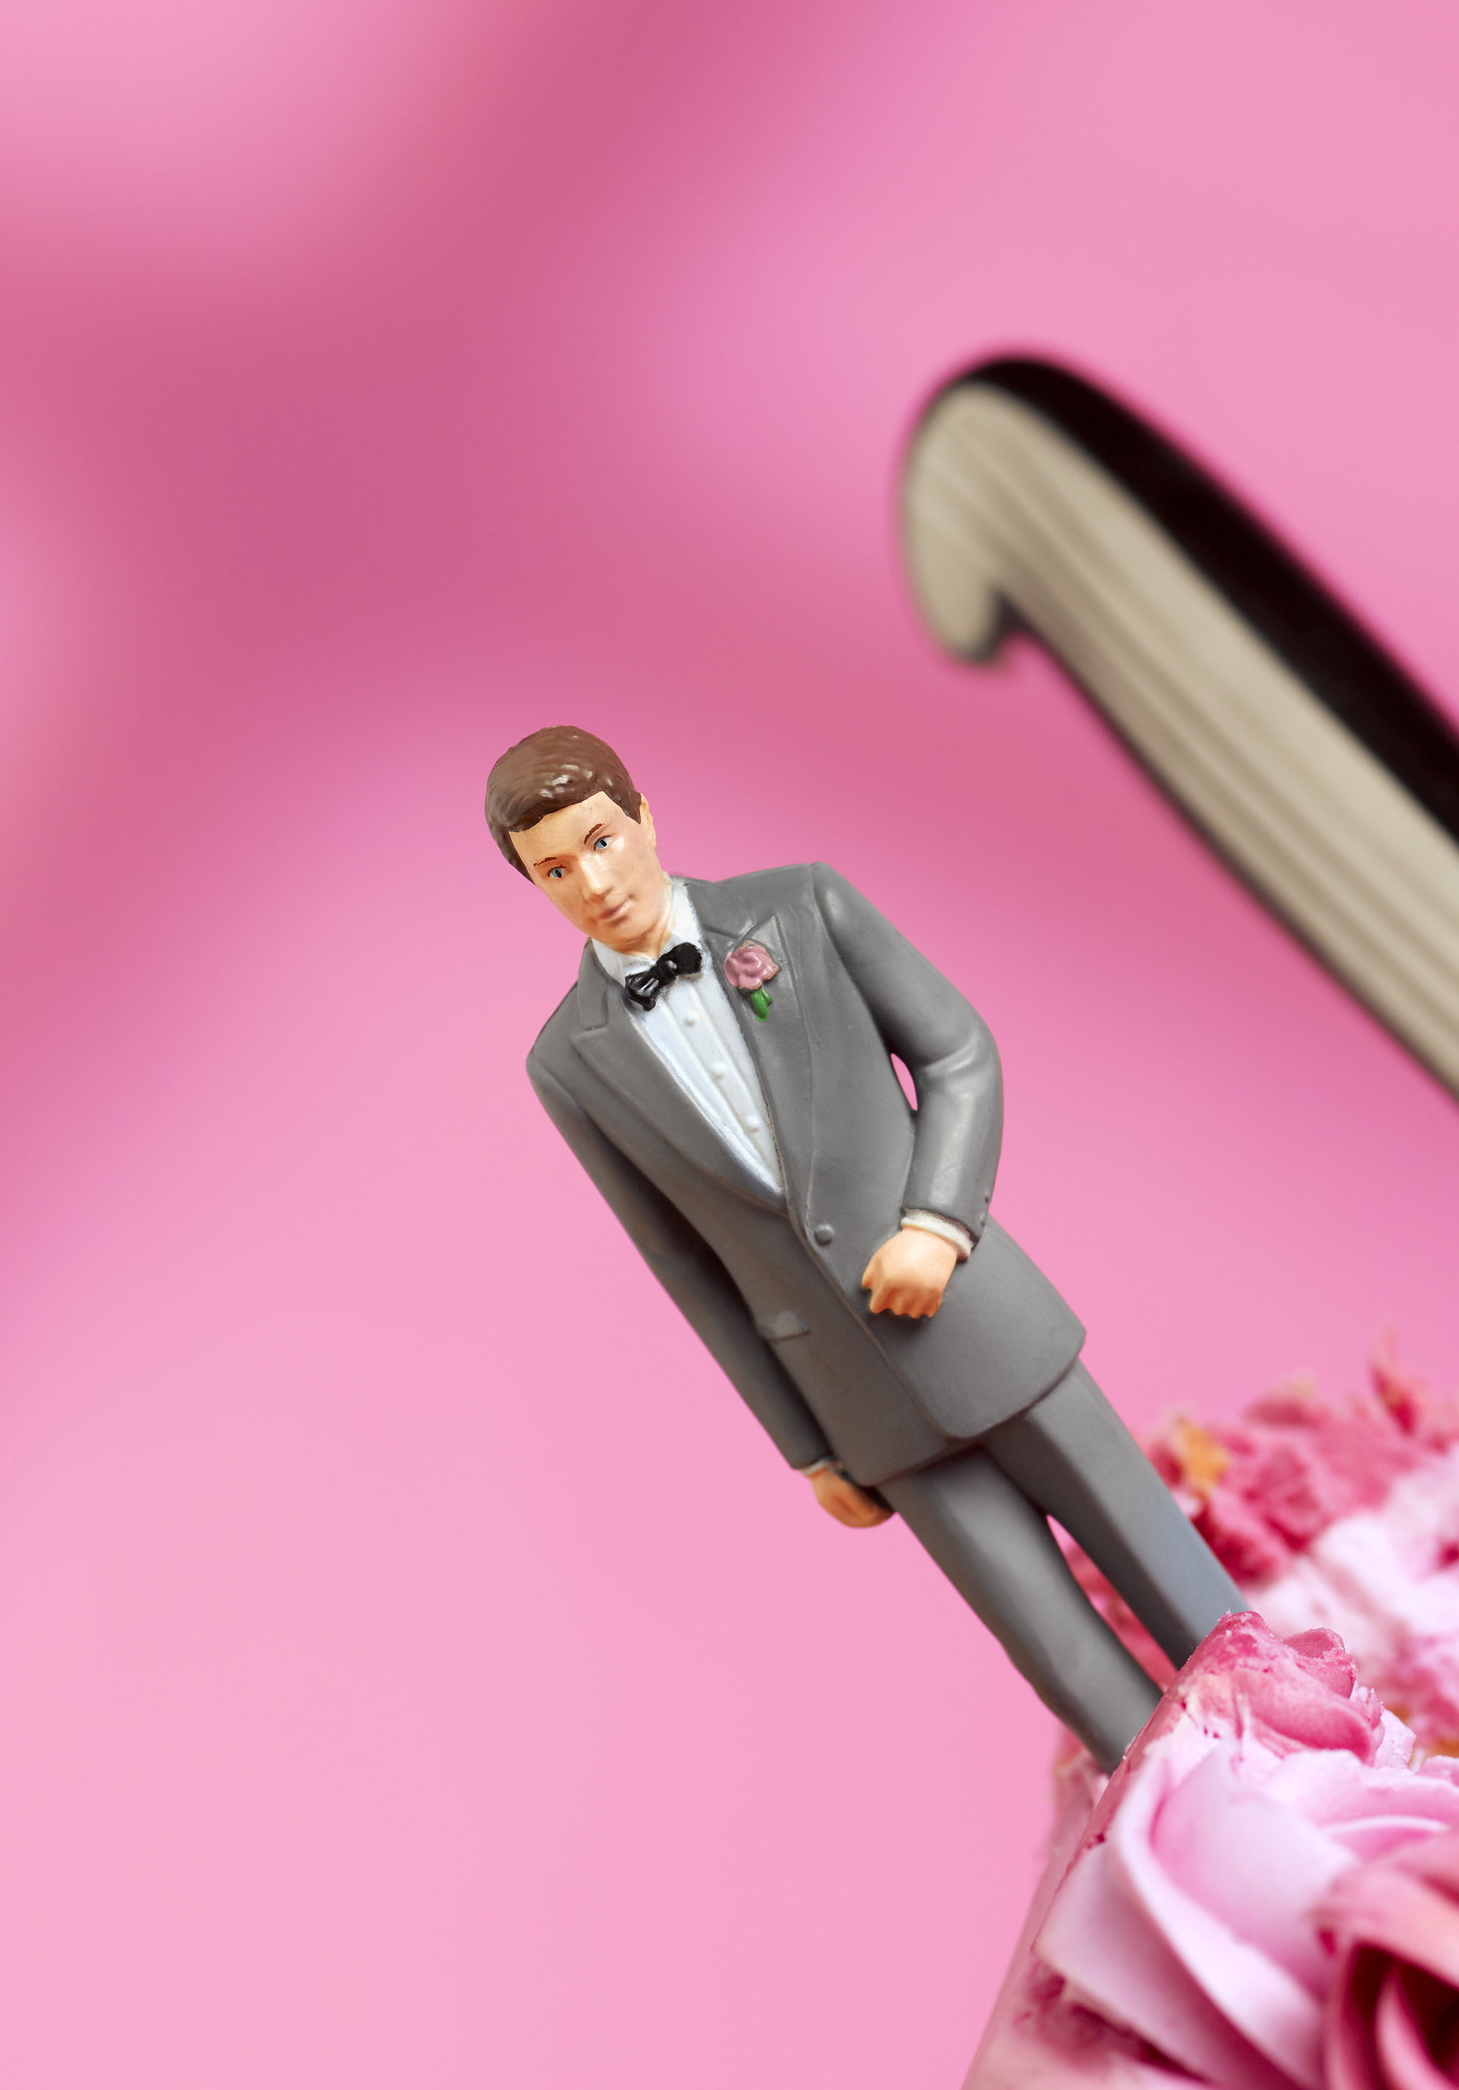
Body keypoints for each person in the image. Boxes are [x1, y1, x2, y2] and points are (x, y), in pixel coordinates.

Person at [490, 723, 1239, 1760]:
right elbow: (681, 1265)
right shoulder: (565, 1062)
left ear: (645, 816)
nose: (594, 883)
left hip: (986, 1323)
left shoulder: (799, 902)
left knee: (1165, 1564)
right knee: (1052, 1649)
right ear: (533, 884)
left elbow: (958, 1053)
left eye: (603, 842)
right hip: (857, 1400)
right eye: (556, 870)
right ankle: (1195, 1834)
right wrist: (803, 1445)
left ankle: (1327, 1764)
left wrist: (938, 1221)